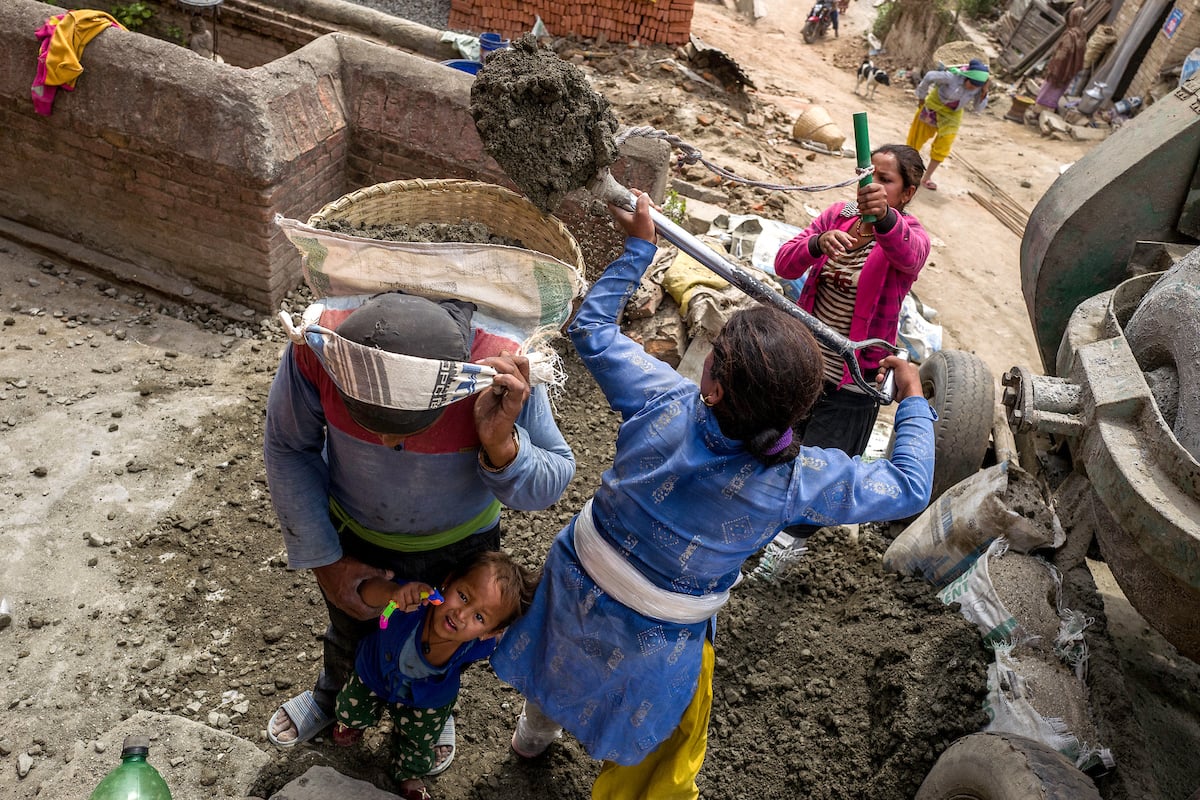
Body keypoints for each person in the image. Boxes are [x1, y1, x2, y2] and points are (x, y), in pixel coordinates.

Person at [489, 191, 936, 799]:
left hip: (574, 584)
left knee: (556, 663)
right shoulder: (796, 481)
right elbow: (908, 484)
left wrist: (640, 247)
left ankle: (530, 742)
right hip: (659, 635)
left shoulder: (660, 399)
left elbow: (591, 328)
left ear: (714, 385)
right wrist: (912, 401)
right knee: (629, 713)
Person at [262, 290, 575, 776]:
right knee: (352, 630)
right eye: (370, 422)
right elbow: (288, 446)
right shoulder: (318, 349)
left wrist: (500, 444)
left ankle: (428, 711)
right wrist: (327, 561)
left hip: (460, 553)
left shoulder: (497, 370)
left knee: (446, 646)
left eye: (405, 427)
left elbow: (550, 481)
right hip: (355, 537)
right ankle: (334, 695)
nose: (389, 442)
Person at [331, 550, 538, 800]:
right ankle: (352, 722)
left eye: (479, 617)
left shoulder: (482, 645)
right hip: (373, 671)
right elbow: (366, 591)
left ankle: (408, 772)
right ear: (447, 582)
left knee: (419, 740)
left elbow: (523, 642)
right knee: (351, 705)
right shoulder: (414, 601)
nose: (461, 615)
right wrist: (391, 593)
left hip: (428, 701)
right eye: (463, 596)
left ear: (489, 632)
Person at [773, 143, 930, 459]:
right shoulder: (838, 216)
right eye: (868, 175)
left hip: (852, 385)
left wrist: (884, 217)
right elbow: (783, 264)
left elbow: (910, 255)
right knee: (771, 458)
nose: (871, 186)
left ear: (907, 193)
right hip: (802, 370)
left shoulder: (910, 234)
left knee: (819, 476)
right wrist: (817, 243)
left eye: (885, 180)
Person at [905, 58, 991, 190]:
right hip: (933, 107)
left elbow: (978, 109)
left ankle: (926, 177)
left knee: (944, 145)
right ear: (966, 78)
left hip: (952, 115)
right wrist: (921, 96)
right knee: (915, 140)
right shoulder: (951, 77)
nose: (972, 88)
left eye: (976, 87)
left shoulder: (978, 88)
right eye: (971, 85)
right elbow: (929, 76)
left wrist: (984, 92)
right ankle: (906, 171)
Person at [1035, 6, 1087, 114]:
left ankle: (1039, 110)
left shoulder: (1070, 34)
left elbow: (1062, 54)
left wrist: (1054, 67)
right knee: (1058, 90)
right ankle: (1050, 109)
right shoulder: (1082, 34)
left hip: (1060, 68)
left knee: (1049, 88)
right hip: (1071, 68)